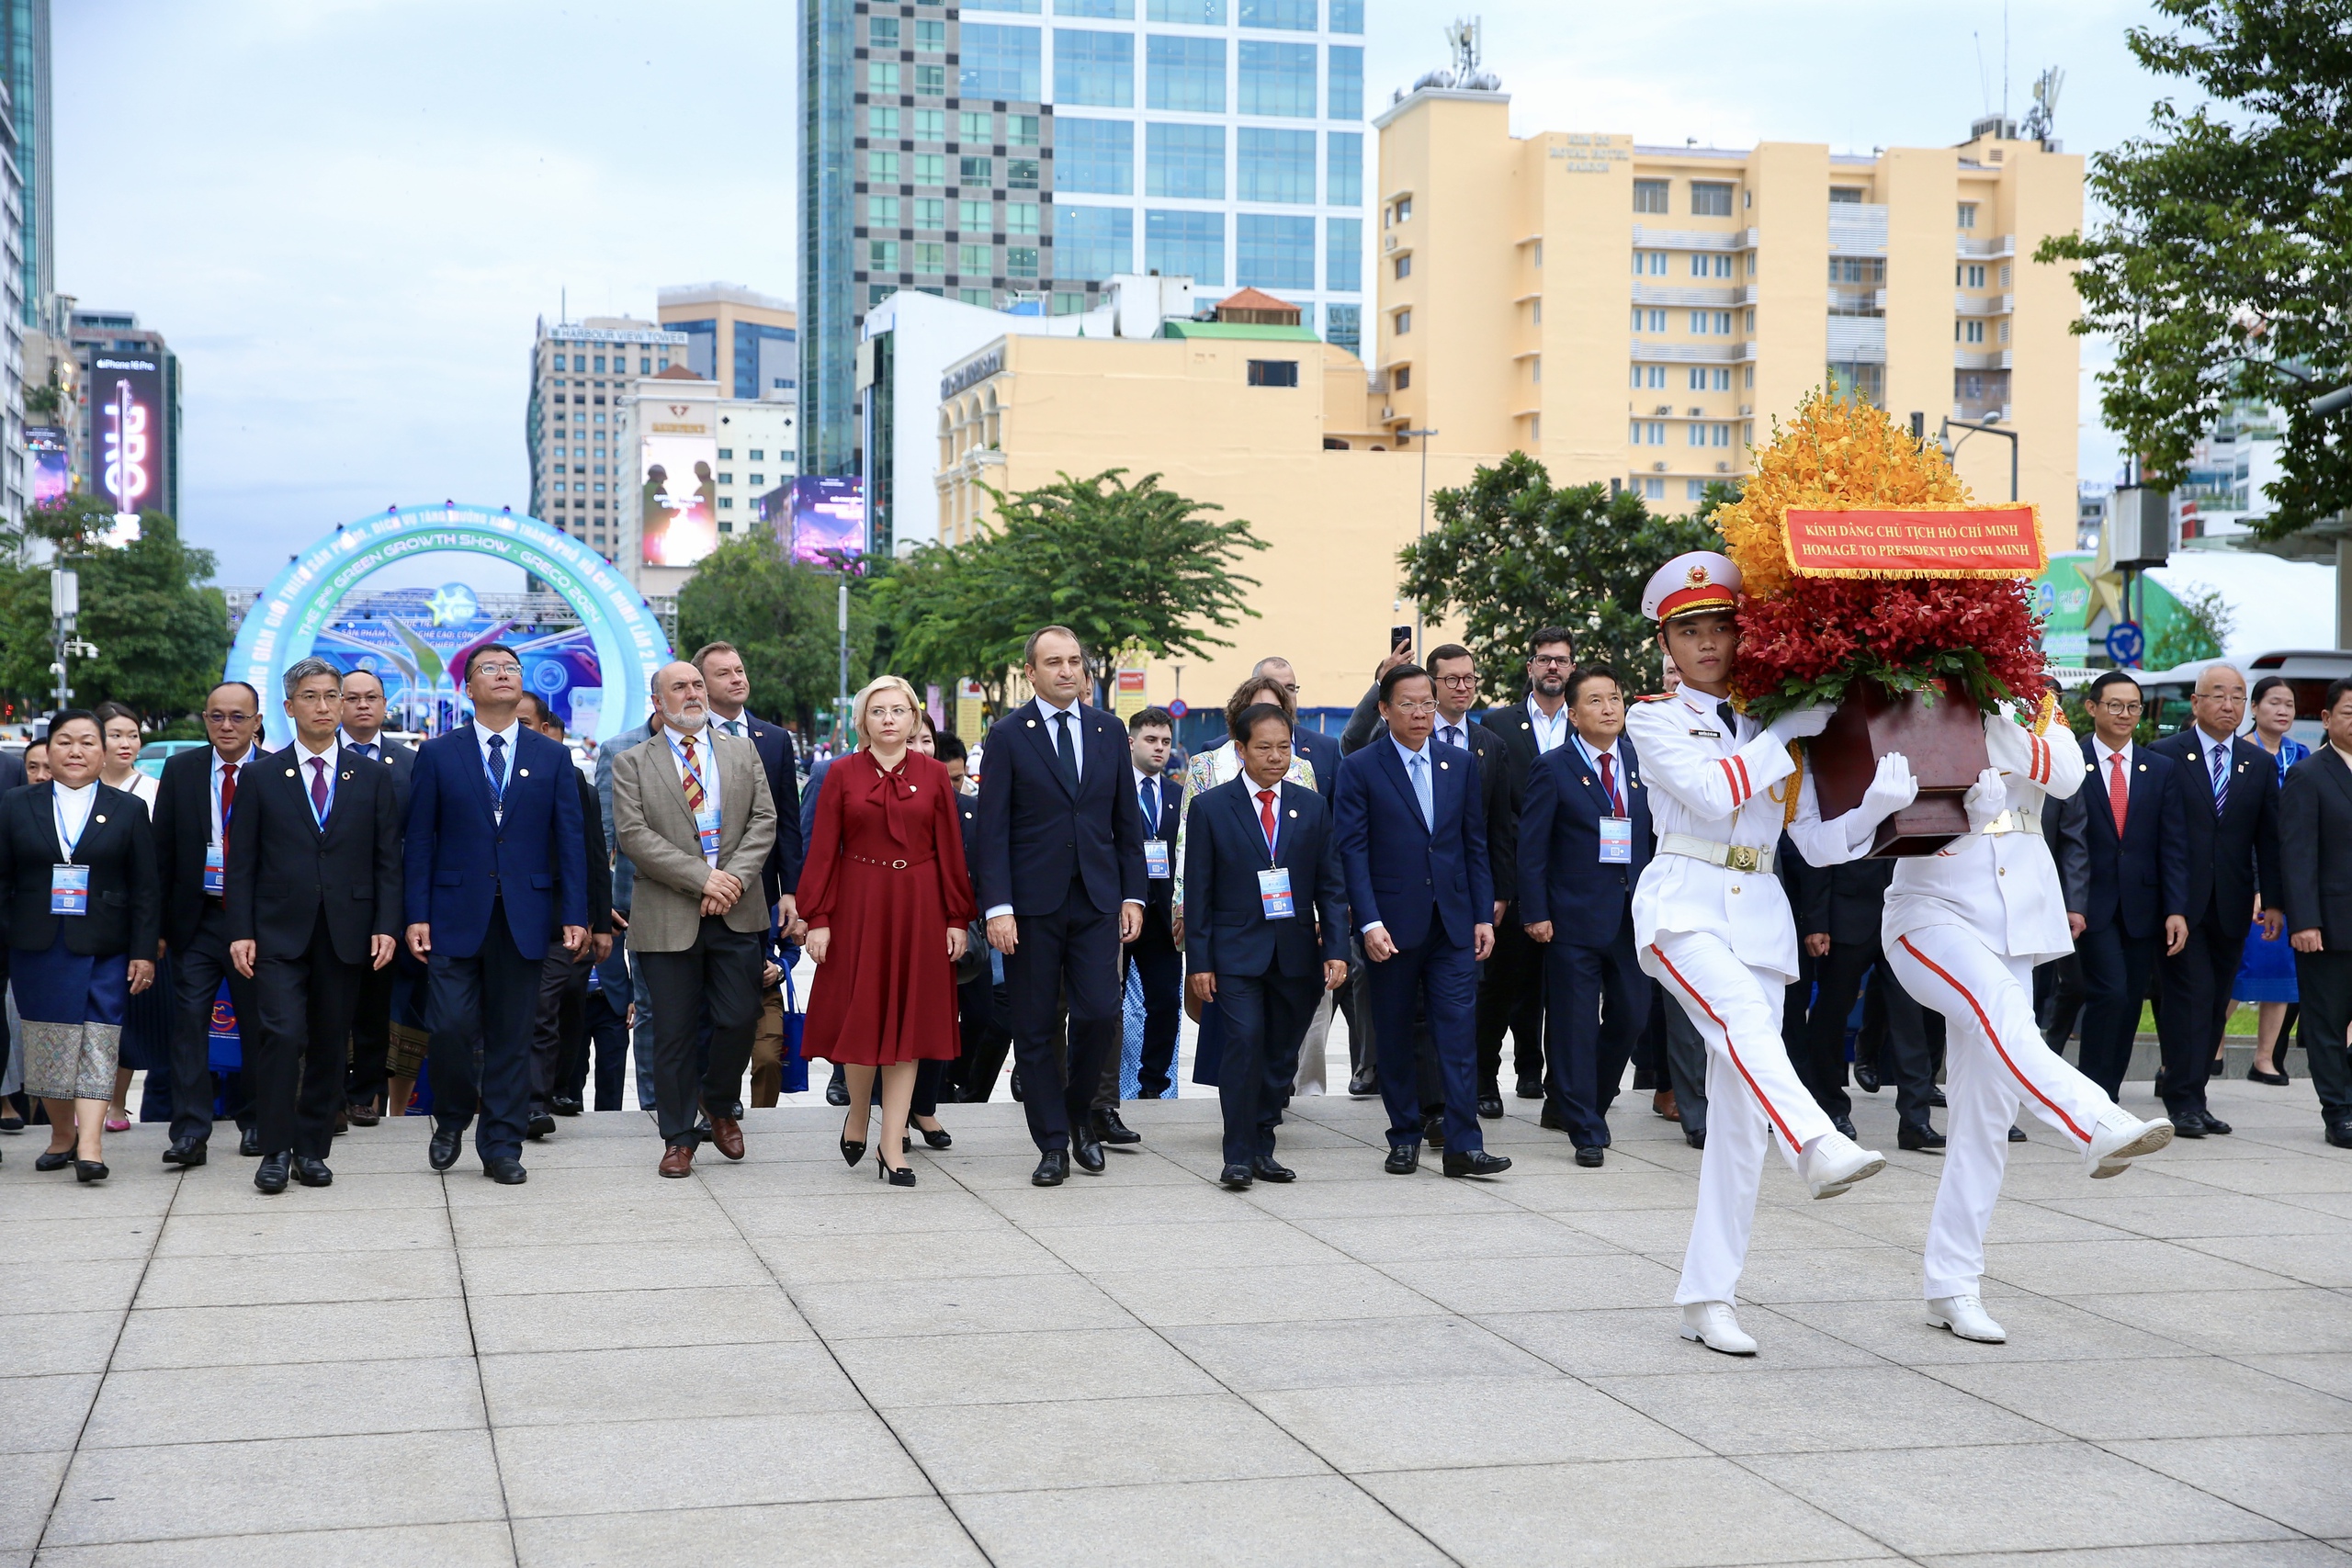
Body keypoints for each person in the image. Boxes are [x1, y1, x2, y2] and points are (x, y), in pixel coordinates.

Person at [1628, 552, 1912, 1356]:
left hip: (1761, 914)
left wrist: (1876, 815)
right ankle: (1816, 1142)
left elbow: (1815, 847)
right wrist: (1786, 732)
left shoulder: (1770, 718)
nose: (1709, 643)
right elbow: (1714, 794)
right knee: (1744, 1021)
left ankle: (1707, 1296)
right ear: (1667, 644)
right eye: (1691, 631)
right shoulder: (1655, 717)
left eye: (1721, 627)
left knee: (1741, 1120)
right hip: (1684, 904)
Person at [1883, 705, 2181, 1342]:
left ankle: (1953, 1283)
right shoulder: (1920, 697)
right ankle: (2095, 1120)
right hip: (1933, 906)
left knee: (1986, 1118)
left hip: (2013, 921)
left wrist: (1998, 719)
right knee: (2004, 1014)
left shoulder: (2032, 704)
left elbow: (2068, 773)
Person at [405, 645, 588, 1185]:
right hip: (454, 913)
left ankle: (502, 1144)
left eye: (512, 668)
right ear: (468, 687)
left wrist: (574, 912)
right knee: (452, 1028)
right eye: (490, 668)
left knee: (513, 1035)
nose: (504, 674)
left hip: (526, 915)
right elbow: (419, 840)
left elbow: (570, 840)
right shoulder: (438, 754)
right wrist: (416, 913)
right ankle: (454, 1115)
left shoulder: (552, 756)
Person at [974, 626, 1147, 1187]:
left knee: (1099, 1011)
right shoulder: (1007, 735)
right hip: (1030, 905)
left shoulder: (1107, 730)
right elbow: (992, 831)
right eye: (1054, 662)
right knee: (1037, 1024)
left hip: (1097, 899)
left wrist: (1132, 894)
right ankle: (1051, 1143)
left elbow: (1126, 825)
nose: (1067, 671)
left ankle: (1078, 1113)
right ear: (1032, 672)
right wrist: (997, 907)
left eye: (1075, 661)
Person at [223, 657, 403, 1194]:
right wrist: (241, 930)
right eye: (311, 697)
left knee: (330, 1040)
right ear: (288, 708)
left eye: (333, 696)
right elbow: (243, 862)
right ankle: (274, 1150)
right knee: (280, 1034)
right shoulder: (261, 776)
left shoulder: (372, 775)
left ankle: (312, 1149)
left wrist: (386, 924)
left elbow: (387, 859)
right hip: (277, 931)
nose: (324, 707)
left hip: (348, 930)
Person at [1334, 662, 1509, 1179]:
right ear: (1384, 710)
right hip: (1390, 925)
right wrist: (1367, 922)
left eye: (1427, 704)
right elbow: (1352, 852)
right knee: (1393, 1032)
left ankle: (1463, 1143)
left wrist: (1483, 915)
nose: (1420, 713)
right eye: (1407, 704)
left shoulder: (1460, 764)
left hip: (1453, 924)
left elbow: (1473, 845)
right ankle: (1404, 1135)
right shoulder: (1361, 768)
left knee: (1458, 1033)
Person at [797, 677, 973, 1185]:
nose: (890, 719)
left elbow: (950, 852)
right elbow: (823, 850)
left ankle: (892, 1144)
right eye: (878, 711)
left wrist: (957, 917)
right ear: (862, 721)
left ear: (915, 719)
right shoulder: (840, 774)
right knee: (862, 1019)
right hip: (857, 903)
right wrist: (819, 918)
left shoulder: (936, 774)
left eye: (899, 710)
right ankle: (857, 1112)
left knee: (908, 1029)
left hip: (919, 904)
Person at [612, 660, 777, 1177]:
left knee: (738, 1016)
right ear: (658, 703)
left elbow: (764, 820)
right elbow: (634, 837)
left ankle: (719, 1099)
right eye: (678, 687)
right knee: (675, 1032)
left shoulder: (740, 749)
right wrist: (701, 879)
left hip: (737, 909)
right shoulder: (632, 762)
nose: (692, 693)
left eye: (697, 685)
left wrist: (729, 882)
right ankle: (678, 1137)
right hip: (667, 915)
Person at [1185, 702, 1349, 1187]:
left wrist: (1336, 949)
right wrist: (1200, 960)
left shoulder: (1312, 806)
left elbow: (1331, 886)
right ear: (1240, 750)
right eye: (1264, 748)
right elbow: (1199, 890)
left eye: (1284, 747)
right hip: (1235, 955)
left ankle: (1263, 1142)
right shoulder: (1211, 808)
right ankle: (1237, 1154)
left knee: (1281, 1055)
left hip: (1295, 953)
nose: (1276, 757)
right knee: (1243, 1044)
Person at [0, 710, 159, 1180]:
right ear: (47, 751)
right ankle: (61, 1134)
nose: (76, 751)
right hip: (37, 944)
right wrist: (12, 931)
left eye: (88, 742)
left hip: (105, 943)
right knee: (49, 1039)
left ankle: (91, 1147)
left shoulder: (128, 809)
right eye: (65, 742)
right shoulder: (15, 803)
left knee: (98, 1038)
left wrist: (143, 951)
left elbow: (146, 888)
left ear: (103, 751)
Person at [1520, 664, 1648, 1165]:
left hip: (1631, 914)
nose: (1609, 708)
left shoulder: (1641, 762)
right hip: (1571, 917)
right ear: (1573, 714)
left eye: (1615, 698)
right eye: (1595, 700)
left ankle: (1587, 1101)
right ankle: (1586, 1130)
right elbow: (1532, 848)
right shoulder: (1552, 767)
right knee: (1573, 1024)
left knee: (1632, 1016)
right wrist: (1536, 910)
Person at [2149, 663, 2281, 1135]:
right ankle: (2181, 1098)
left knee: (2214, 1002)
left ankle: (2195, 1094)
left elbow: (2268, 838)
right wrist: (2168, 904)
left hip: (2233, 903)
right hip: (2179, 906)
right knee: (2189, 998)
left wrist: (2276, 901)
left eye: (2238, 697)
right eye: (2219, 695)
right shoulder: (2164, 756)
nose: (2229, 705)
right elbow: (2156, 838)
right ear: (2197, 702)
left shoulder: (2258, 763)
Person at [153, 682, 266, 1165]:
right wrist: (155, 930)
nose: (226, 726)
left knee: (259, 1027)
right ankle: (191, 1132)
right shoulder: (181, 770)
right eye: (216, 716)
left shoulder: (277, 770)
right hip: (196, 921)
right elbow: (162, 853)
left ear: (257, 721)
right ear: (204, 719)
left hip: (258, 925)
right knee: (190, 1024)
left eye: (238, 717)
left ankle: (257, 1120)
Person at [2075, 670, 2190, 1100]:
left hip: (2143, 904)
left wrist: (2176, 908)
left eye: (2133, 707)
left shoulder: (2158, 768)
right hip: (2090, 902)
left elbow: (2173, 844)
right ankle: (2091, 1091)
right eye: (2115, 705)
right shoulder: (2071, 761)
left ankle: (2108, 1091)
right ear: (2093, 708)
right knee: (2109, 991)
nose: (2125, 714)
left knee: (2128, 1002)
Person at [1479, 628, 1576, 1101]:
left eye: (1560, 660)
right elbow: (1492, 810)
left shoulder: (1588, 723)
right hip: (1514, 875)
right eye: (1544, 660)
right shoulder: (1498, 725)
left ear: (1572, 668)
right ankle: (1486, 1079)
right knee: (1503, 983)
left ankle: (1548, 1079)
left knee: (1561, 987)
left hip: (1574, 878)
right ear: (1530, 668)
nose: (1552, 667)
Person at [516, 694, 614, 1132]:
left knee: (547, 1009)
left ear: (541, 728)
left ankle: (539, 1099)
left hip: (557, 917)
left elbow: (591, 853)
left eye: (523, 722)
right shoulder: (465, 765)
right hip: (488, 914)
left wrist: (600, 920)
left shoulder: (573, 780)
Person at [1800, 860, 1943, 1149]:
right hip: (1847, 913)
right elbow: (1820, 854)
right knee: (1831, 1015)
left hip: (1903, 916)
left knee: (1910, 1018)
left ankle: (1915, 1121)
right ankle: (1831, 1108)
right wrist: (1817, 922)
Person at [337, 667, 416, 1125]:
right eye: (354, 697)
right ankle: (328, 1090)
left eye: (373, 697)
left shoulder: (408, 762)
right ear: (338, 704)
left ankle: (365, 1092)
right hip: (329, 898)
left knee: (375, 1003)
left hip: (389, 901)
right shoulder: (318, 758)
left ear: (385, 705)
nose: (363, 705)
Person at [2281, 676, 2352, 1149]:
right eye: (2349, 712)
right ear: (2327, 719)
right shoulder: (2310, 775)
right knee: (2327, 1023)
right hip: (2330, 923)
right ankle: (2339, 1111)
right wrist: (2304, 920)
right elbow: (2297, 853)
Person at [694, 640, 806, 935]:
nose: (736, 679)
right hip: (697, 889)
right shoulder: (689, 739)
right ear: (701, 686)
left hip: (759, 890)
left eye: (739, 670)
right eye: (723, 674)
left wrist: (791, 891)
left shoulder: (775, 739)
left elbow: (787, 821)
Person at [2236, 674, 2309, 1085]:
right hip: (2245, 871)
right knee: (2239, 966)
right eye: (2274, 703)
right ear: (2255, 708)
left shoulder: (2301, 754)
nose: (2282, 711)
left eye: (2289, 705)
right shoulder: (2240, 752)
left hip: (2287, 872)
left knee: (2280, 967)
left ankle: (2265, 1058)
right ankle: (2212, 1048)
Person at [93, 701, 161, 1133]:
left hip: (136, 917)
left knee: (127, 1014)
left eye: (132, 734)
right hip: (88, 915)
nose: (125, 743)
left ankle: (117, 1104)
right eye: (116, 734)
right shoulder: (77, 788)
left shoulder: (154, 791)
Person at [1125, 707, 1185, 1100]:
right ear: (1131, 743)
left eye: (1165, 741)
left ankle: (1153, 1085)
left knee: (1165, 1004)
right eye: (1151, 740)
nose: (1159, 748)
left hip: (1164, 919)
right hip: (1118, 915)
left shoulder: (1181, 796)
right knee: (1103, 1007)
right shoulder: (1112, 790)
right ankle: (1099, 1086)